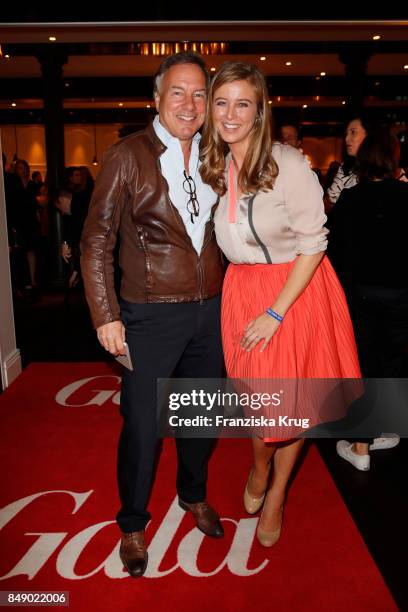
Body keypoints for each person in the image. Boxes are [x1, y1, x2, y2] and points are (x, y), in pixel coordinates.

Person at [200, 61, 361, 547]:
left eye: (242, 103)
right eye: (221, 102)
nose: (230, 114)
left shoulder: (287, 163)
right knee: (257, 405)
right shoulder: (211, 164)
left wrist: (275, 312)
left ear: (259, 110)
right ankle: (258, 467)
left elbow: (315, 243)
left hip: (294, 290)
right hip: (240, 289)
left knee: (291, 408)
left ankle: (275, 496)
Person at [81, 51, 225, 579]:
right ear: (157, 100)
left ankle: (192, 495)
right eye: (177, 93)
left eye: (198, 95)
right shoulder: (126, 155)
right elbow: (95, 239)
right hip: (148, 315)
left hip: (210, 313)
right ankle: (133, 523)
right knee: (143, 426)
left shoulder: (218, 157)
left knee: (200, 417)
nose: (188, 104)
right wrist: (106, 314)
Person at [328, 128, 408, 470]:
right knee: (393, 360)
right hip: (401, 295)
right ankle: (388, 427)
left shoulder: (351, 199)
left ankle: (362, 447)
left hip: (359, 294)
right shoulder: (407, 196)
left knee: (362, 365)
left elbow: (336, 253)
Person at [326, 116, 371, 206]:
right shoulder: (346, 167)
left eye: (353, 132)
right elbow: (331, 199)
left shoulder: (384, 168)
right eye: (346, 134)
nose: (347, 138)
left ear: (369, 135)